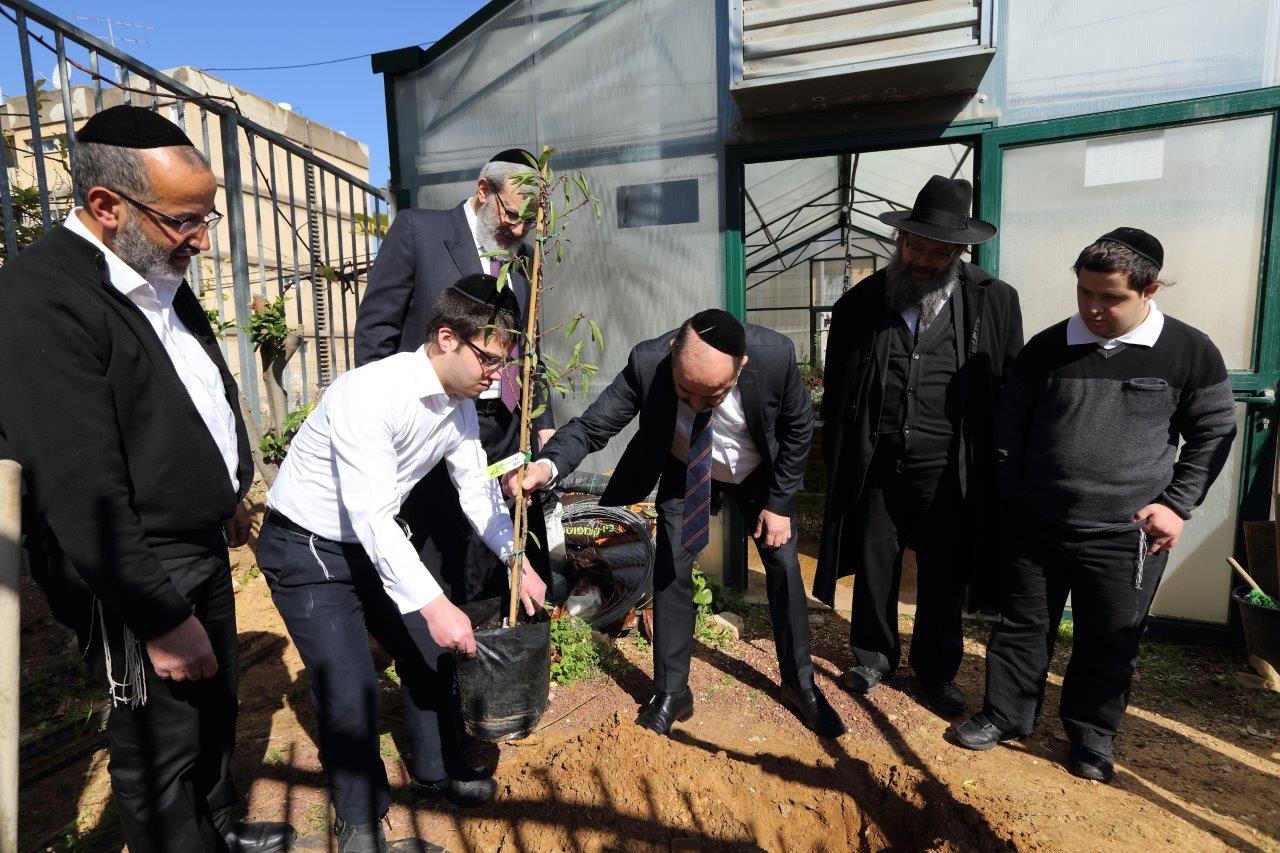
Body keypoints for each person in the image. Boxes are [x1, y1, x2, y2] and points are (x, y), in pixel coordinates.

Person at [0, 105, 292, 852]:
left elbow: (198, 385)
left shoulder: (152, 267)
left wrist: (229, 490)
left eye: (206, 218)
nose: (200, 238)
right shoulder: (40, 300)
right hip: (134, 568)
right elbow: (81, 488)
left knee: (215, 705)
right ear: (107, 205)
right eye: (186, 220)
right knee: (160, 739)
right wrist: (157, 617)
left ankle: (217, 825)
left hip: (195, 541)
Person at [256, 274, 546, 851]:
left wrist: (516, 559)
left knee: (430, 652)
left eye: (504, 361)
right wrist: (435, 602)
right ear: (445, 338)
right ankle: (362, 830)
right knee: (350, 687)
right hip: (309, 546)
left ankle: (437, 773)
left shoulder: (459, 405)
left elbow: (474, 490)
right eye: (488, 358)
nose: (496, 373)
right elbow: (370, 516)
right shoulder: (371, 394)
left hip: (370, 541)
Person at [953, 228, 1237, 782]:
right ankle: (1006, 715)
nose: (1094, 308)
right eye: (1085, 293)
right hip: (1039, 522)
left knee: (1109, 638)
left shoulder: (1189, 351)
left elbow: (1214, 430)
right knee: (1022, 625)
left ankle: (1091, 737)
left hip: (1128, 532)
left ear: (1149, 290)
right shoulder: (1048, 347)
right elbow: (1011, 427)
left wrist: (1176, 505)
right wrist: (1016, 495)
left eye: (1111, 297)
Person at [513, 309, 845, 739]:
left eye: (713, 396)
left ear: (740, 367)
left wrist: (780, 503)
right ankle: (671, 692)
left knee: (783, 568)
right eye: (686, 391)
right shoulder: (647, 362)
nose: (696, 404)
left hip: (759, 474)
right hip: (688, 469)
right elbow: (593, 427)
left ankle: (800, 685)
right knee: (670, 571)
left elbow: (799, 426)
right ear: (674, 353)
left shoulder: (774, 356)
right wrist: (547, 465)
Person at [814, 175, 1024, 718]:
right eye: (916, 247)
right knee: (875, 558)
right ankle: (873, 656)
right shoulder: (861, 303)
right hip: (877, 457)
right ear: (900, 242)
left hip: (950, 463)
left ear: (960, 251)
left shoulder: (993, 301)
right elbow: (837, 388)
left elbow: (1006, 383)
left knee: (943, 571)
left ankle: (936, 671)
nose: (924, 261)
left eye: (938, 252)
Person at [355, 148, 554, 604]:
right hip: (433, 414)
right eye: (512, 216)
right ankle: (435, 643)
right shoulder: (419, 231)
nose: (519, 230)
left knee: (494, 530)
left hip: (503, 421)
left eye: (530, 222)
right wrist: (383, 411)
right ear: (483, 191)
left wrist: (541, 416)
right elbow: (377, 328)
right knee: (437, 537)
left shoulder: (523, 261)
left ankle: (491, 636)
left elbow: (528, 344)